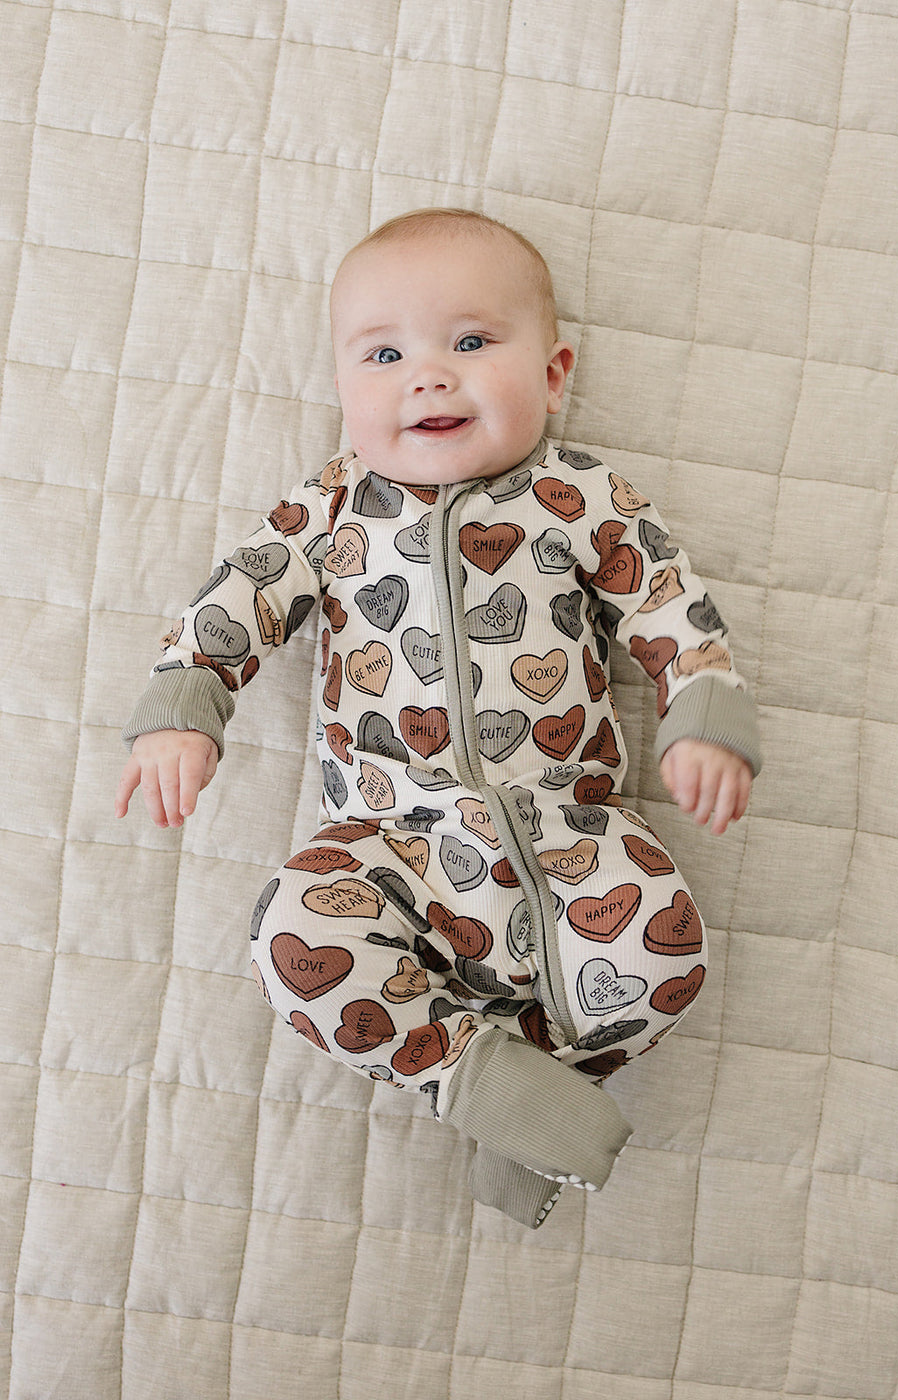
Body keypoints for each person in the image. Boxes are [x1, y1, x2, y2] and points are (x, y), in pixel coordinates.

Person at [116, 208, 761, 1228]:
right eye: (385, 355)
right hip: (389, 847)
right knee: (292, 935)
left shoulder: (576, 495)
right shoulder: (335, 507)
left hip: (570, 838)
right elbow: (242, 594)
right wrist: (185, 701)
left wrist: (702, 709)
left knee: (665, 949)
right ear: (343, 387)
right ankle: (473, 1076)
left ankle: (540, 1094)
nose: (428, 377)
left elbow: (662, 595)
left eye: (469, 342)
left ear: (552, 375)